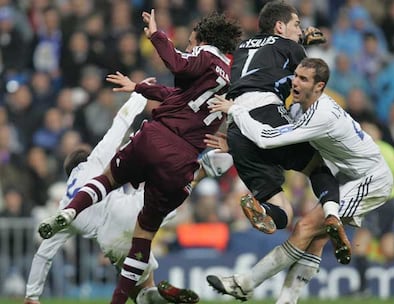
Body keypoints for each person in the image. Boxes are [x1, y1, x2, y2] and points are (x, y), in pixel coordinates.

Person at [38, 9, 242, 304]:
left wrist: (157, 35)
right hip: (183, 159)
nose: (188, 41)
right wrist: (139, 87)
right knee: (145, 233)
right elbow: (177, 97)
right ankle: (126, 299)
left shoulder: (204, 54)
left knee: (107, 178)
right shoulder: (228, 76)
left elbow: (177, 63)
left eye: (192, 37)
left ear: (203, 37)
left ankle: (69, 211)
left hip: (157, 138)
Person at [206, 57, 393, 303]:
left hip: (371, 179)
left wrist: (236, 110)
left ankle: (246, 283)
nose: (295, 82)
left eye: (303, 79)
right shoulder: (297, 107)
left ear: (319, 87)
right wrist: (235, 145)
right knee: (316, 239)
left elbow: (266, 139)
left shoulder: (322, 115)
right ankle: (286, 300)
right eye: (295, 75)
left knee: (305, 228)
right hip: (349, 175)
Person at [24, 92, 200, 304]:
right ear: (85, 157)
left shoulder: (65, 197)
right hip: (130, 209)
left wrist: (32, 295)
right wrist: (140, 95)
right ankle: (204, 168)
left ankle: (153, 295)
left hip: (107, 236)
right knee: (166, 189)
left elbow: (44, 254)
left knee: (138, 290)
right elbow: (120, 123)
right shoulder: (95, 159)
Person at [210, 0, 350, 264]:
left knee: (282, 211)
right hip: (265, 113)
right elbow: (307, 81)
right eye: (296, 24)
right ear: (279, 26)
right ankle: (332, 215)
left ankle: (262, 209)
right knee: (318, 168)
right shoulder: (289, 46)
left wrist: (300, 41)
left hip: (236, 126)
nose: (300, 29)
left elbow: (268, 59)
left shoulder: (241, 48)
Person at [350, 119, 394, 296]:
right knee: (389, 251)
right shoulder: (355, 152)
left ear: (378, 134)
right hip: (375, 204)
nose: (366, 133)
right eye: (363, 130)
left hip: (381, 203)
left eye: (370, 130)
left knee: (360, 244)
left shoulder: (384, 150)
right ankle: (363, 288)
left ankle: (363, 289)